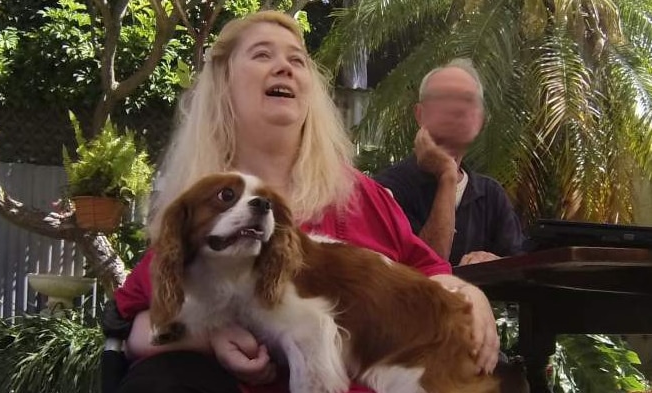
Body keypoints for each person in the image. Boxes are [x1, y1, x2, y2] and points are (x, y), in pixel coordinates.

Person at [104, 12, 499, 393]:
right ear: (223, 83)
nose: (284, 67)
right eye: (262, 55)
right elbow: (130, 328)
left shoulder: (362, 196)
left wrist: (471, 295)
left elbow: (431, 272)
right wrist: (211, 336)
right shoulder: (202, 208)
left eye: (297, 59)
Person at [375, 58, 524, 266]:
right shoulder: (388, 189)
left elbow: (522, 272)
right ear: (420, 114)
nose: (455, 110)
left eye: (466, 100)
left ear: (480, 119)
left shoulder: (491, 195)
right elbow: (426, 270)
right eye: (443, 99)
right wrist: (447, 175)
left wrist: (496, 262)